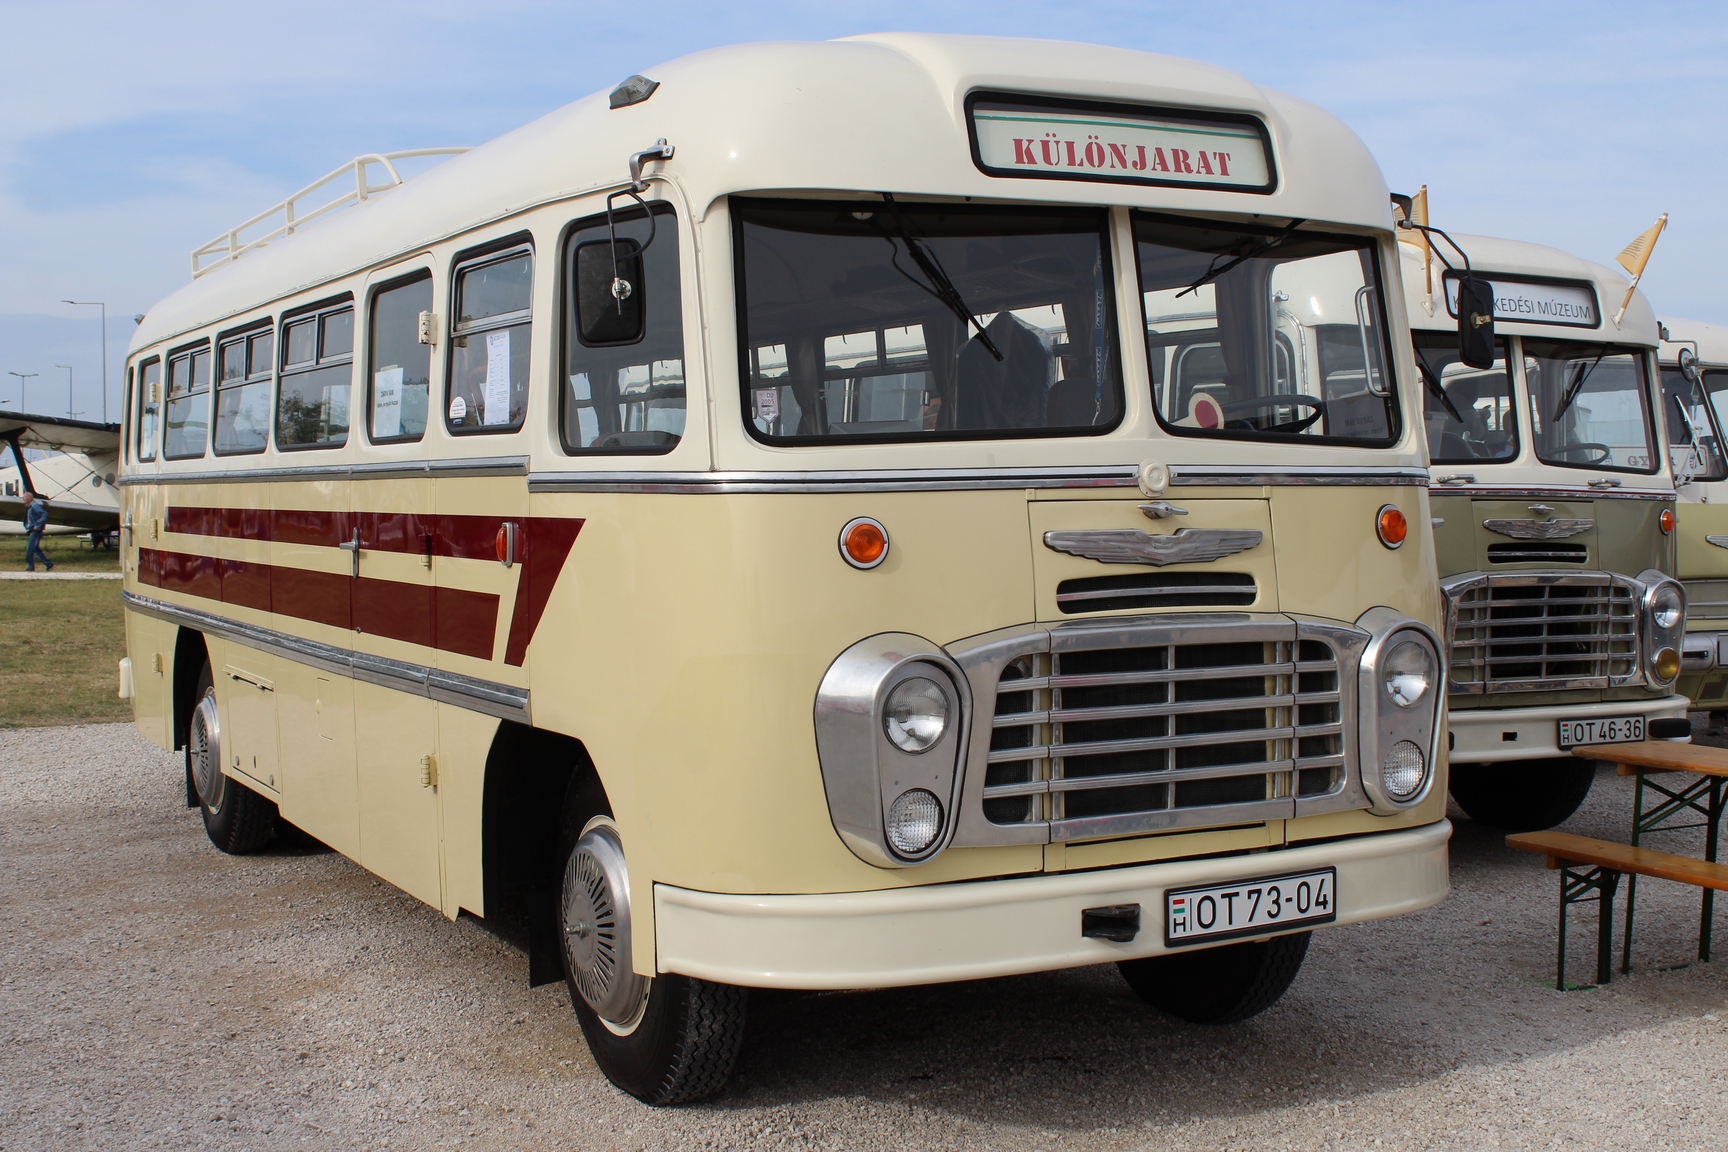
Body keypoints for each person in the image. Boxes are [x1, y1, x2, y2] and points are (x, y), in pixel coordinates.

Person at [21, 491, 54, 572]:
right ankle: (49, 564)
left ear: (29, 498)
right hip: (33, 530)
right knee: (35, 548)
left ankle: (31, 567)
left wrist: (37, 525)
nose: (23, 499)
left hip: (36, 531)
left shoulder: (34, 506)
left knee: (30, 549)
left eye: (25, 497)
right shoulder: (29, 507)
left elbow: (44, 514)